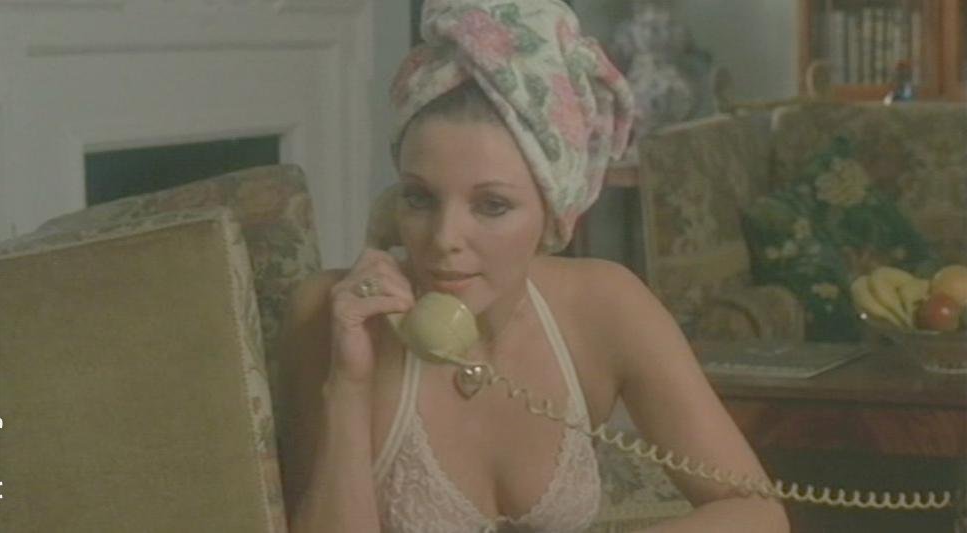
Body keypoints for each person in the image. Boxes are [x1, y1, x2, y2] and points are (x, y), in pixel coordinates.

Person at [275, 1, 789, 531]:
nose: (444, 239)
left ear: (553, 213)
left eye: (491, 205)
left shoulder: (606, 305)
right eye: (420, 198)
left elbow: (758, 513)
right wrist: (348, 386)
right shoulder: (331, 317)